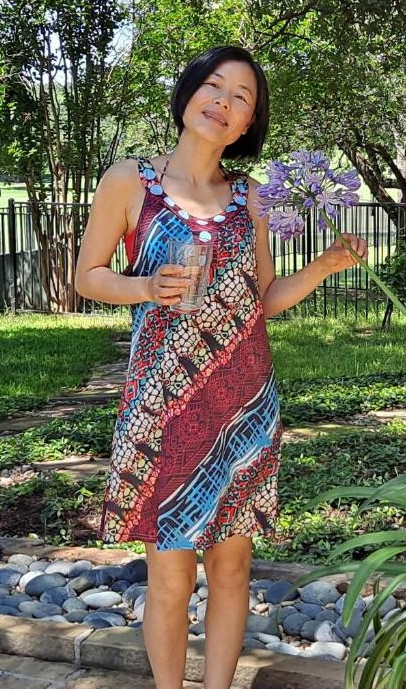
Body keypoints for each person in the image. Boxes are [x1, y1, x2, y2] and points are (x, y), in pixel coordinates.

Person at [74, 45, 367, 689]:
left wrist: (323, 266)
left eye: (242, 98)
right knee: (171, 575)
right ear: (187, 97)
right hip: (164, 404)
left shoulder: (251, 199)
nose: (224, 102)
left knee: (233, 569)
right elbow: (88, 275)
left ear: (247, 125)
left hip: (243, 405)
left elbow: (261, 300)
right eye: (215, 86)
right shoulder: (130, 180)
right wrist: (148, 287)